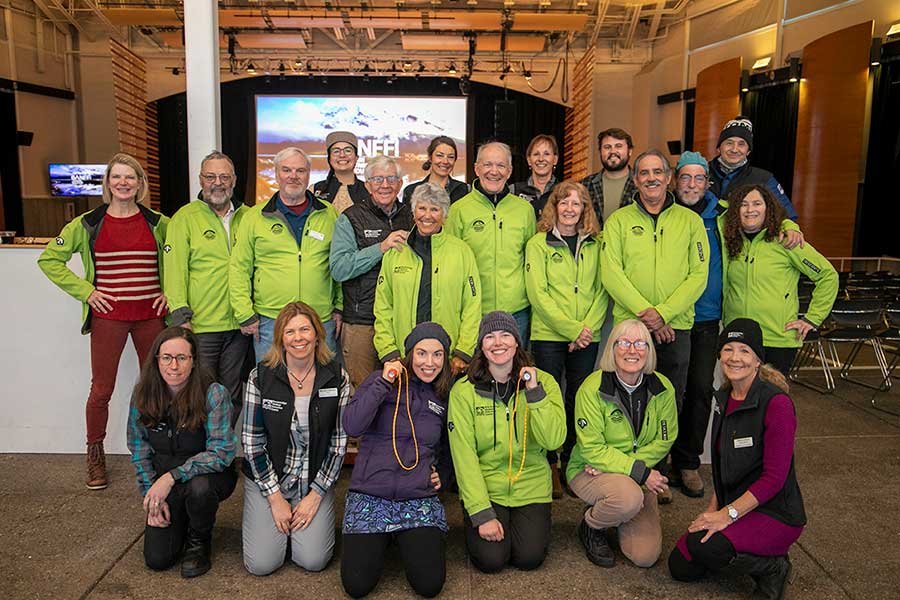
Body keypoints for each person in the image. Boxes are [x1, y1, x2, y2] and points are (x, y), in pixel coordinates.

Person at [670, 152, 805, 498]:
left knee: (700, 391)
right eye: (685, 178)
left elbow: (761, 213)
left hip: (705, 317)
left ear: (707, 182)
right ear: (676, 181)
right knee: (666, 391)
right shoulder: (666, 213)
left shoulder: (723, 213)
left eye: (699, 178)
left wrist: (789, 224)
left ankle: (686, 462)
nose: (692, 185)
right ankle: (655, 463)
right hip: (668, 316)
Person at [38, 153, 168, 490]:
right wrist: (86, 291)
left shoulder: (158, 222)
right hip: (109, 317)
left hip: (151, 317)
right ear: (107, 184)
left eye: (131, 177)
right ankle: (95, 454)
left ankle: (157, 452)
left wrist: (171, 292)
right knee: (101, 389)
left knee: (156, 387)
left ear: (141, 184)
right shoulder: (87, 223)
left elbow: (180, 259)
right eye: (117, 177)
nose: (124, 183)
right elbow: (50, 259)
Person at [668, 318, 806, 600]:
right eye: (728, 349)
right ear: (719, 355)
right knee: (681, 566)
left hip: (776, 513)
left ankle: (772, 568)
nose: (735, 358)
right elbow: (722, 468)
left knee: (707, 548)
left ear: (757, 359)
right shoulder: (723, 398)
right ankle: (735, 546)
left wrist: (726, 516)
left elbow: (774, 479)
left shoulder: (776, 404)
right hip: (735, 506)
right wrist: (710, 513)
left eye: (744, 350)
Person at [601, 149, 709, 504]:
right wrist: (647, 315)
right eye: (644, 173)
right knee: (629, 399)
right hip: (630, 329)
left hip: (676, 327)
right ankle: (631, 471)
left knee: (668, 401)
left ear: (668, 178)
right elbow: (611, 273)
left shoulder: (690, 222)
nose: (651, 178)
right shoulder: (617, 221)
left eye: (657, 172)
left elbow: (698, 275)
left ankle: (660, 471)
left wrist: (664, 314)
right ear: (635, 180)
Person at [340, 322, 454, 598]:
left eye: (437, 354)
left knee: (429, 585)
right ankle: (384, 539)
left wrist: (444, 475)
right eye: (422, 353)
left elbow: (450, 447)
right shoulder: (381, 381)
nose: (430, 362)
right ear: (409, 354)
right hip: (371, 493)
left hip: (417, 496)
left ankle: (402, 537)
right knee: (356, 586)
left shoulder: (443, 395)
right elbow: (352, 426)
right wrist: (383, 381)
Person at [448, 311, 565, 573]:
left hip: (531, 484)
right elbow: (464, 457)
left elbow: (554, 439)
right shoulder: (464, 391)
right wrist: (481, 513)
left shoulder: (544, 382)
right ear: (481, 345)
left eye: (505, 335)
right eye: (489, 336)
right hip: (488, 488)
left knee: (528, 558)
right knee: (492, 560)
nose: (497, 342)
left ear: (517, 342)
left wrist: (535, 394)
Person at [241, 301, 350, 575]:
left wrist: (316, 495)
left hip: (313, 479)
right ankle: (277, 523)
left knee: (313, 560)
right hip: (270, 479)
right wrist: (275, 498)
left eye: (305, 329)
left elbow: (339, 444)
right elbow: (252, 443)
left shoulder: (337, 378)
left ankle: (296, 526)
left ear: (317, 336)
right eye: (290, 332)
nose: (298, 337)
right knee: (261, 564)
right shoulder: (260, 377)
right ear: (280, 338)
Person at [126, 326, 238, 578]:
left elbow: (222, 452)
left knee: (200, 489)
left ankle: (199, 539)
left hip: (208, 476)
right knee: (157, 559)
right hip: (166, 481)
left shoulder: (214, 393)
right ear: (156, 360)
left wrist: (171, 477)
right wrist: (151, 498)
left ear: (194, 360)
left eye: (182, 358)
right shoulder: (142, 394)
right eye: (166, 357)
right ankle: (182, 517)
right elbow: (138, 448)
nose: (173, 366)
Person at [567, 319, 678, 568]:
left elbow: (664, 438)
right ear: (612, 348)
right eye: (624, 343)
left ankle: (616, 509)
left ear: (649, 350)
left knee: (645, 556)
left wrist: (626, 468)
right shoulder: (592, 389)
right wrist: (638, 471)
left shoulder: (663, 389)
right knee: (627, 498)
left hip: (624, 472)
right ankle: (592, 525)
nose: (632, 350)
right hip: (588, 470)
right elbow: (592, 449)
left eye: (640, 343)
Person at [524, 180, 607, 497]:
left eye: (577, 203)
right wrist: (571, 329)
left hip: (587, 335)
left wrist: (585, 329)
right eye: (564, 203)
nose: (570, 209)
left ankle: (573, 460)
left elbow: (602, 291)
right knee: (548, 397)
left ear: (585, 208)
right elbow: (538, 294)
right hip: (549, 334)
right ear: (554, 207)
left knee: (579, 398)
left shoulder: (596, 244)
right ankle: (549, 463)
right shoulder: (538, 244)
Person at [230, 147, 341, 361]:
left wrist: (340, 307)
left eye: (300, 171)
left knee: (324, 386)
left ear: (309, 175)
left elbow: (337, 262)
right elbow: (239, 268)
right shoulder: (254, 217)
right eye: (286, 170)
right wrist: (244, 313)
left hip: (320, 318)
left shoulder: (329, 214)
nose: (293, 176)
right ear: (276, 173)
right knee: (272, 385)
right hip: (270, 320)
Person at [164, 150, 250, 423]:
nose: (218, 182)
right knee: (199, 394)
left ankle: (221, 456)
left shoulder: (248, 216)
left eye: (224, 176)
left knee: (232, 395)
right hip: (201, 326)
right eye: (211, 176)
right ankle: (200, 461)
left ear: (234, 180)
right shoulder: (184, 218)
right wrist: (180, 317)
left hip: (239, 326)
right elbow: (174, 271)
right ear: (200, 180)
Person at [721, 184, 838, 377]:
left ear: (768, 208)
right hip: (739, 339)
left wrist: (812, 318)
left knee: (771, 400)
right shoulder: (731, 243)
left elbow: (827, 275)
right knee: (738, 399)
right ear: (736, 211)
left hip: (776, 339)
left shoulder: (787, 241)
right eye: (744, 204)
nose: (750, 210)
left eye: (757, 203)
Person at [373, 183, 481, 374]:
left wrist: (463, 352)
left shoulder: (462, 252)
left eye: (434, 209)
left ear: (445, 215)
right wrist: (388, 350)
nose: (427, 216)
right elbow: (383, 305)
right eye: (422, 208)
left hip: (447, 358)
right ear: (414, 212)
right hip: (404, 356)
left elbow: (472, 305)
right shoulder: (397, 251)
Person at [330, 155, 414, 389]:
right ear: (367, 184)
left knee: (402, 392)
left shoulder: (413, 216)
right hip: (362, 322)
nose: (385, 185)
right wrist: (380, 248)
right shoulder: (350, 218)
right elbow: (339, 268)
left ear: (400, 183)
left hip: (402, 321)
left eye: (391, 178)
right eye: (377, 179)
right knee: (364, 393)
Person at [446, 142, 537, 341]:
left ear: (510, 171)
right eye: (487, 165)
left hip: (516, 311)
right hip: (473, 310)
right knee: (476, 370)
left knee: (513, 369)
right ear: (476, 168)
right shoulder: (459, 210)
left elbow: (531, 261)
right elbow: (450, 263)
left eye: (501, 165)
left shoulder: (525, 210)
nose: (494, 171)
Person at [708, 116, 799, 220]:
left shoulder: (764, 179)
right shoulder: (701, 172)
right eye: (729, 143)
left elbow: (788, 215)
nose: (734, 149)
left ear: (748, 151)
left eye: (741, 144)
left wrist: (791, 227)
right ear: (719, 148)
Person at [580, 127, 639, 227]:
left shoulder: (641, 184)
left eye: (618, 146)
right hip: (594, 242)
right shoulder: (585, 185)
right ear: (600, 152)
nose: (613, 151)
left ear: (630, 151)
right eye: (607, 147)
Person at [311, 131, 368, 213]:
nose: (342, 155)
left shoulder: (368, 189)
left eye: (348, 150)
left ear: (356, 157)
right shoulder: (315, 189)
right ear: (329, 158)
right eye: (336, 151)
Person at [403, 135, 468, 204]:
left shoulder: (464, 190)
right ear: (430, 158)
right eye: (440, 155)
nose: (445, 161)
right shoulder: (411, 191)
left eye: (450, 157)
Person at [510, 134, 560, 219]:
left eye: (546, 154)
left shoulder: (564, 191)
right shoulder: (513, 191)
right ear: (529, 160)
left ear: (555, 159)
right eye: (536, 154)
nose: (541, 159)